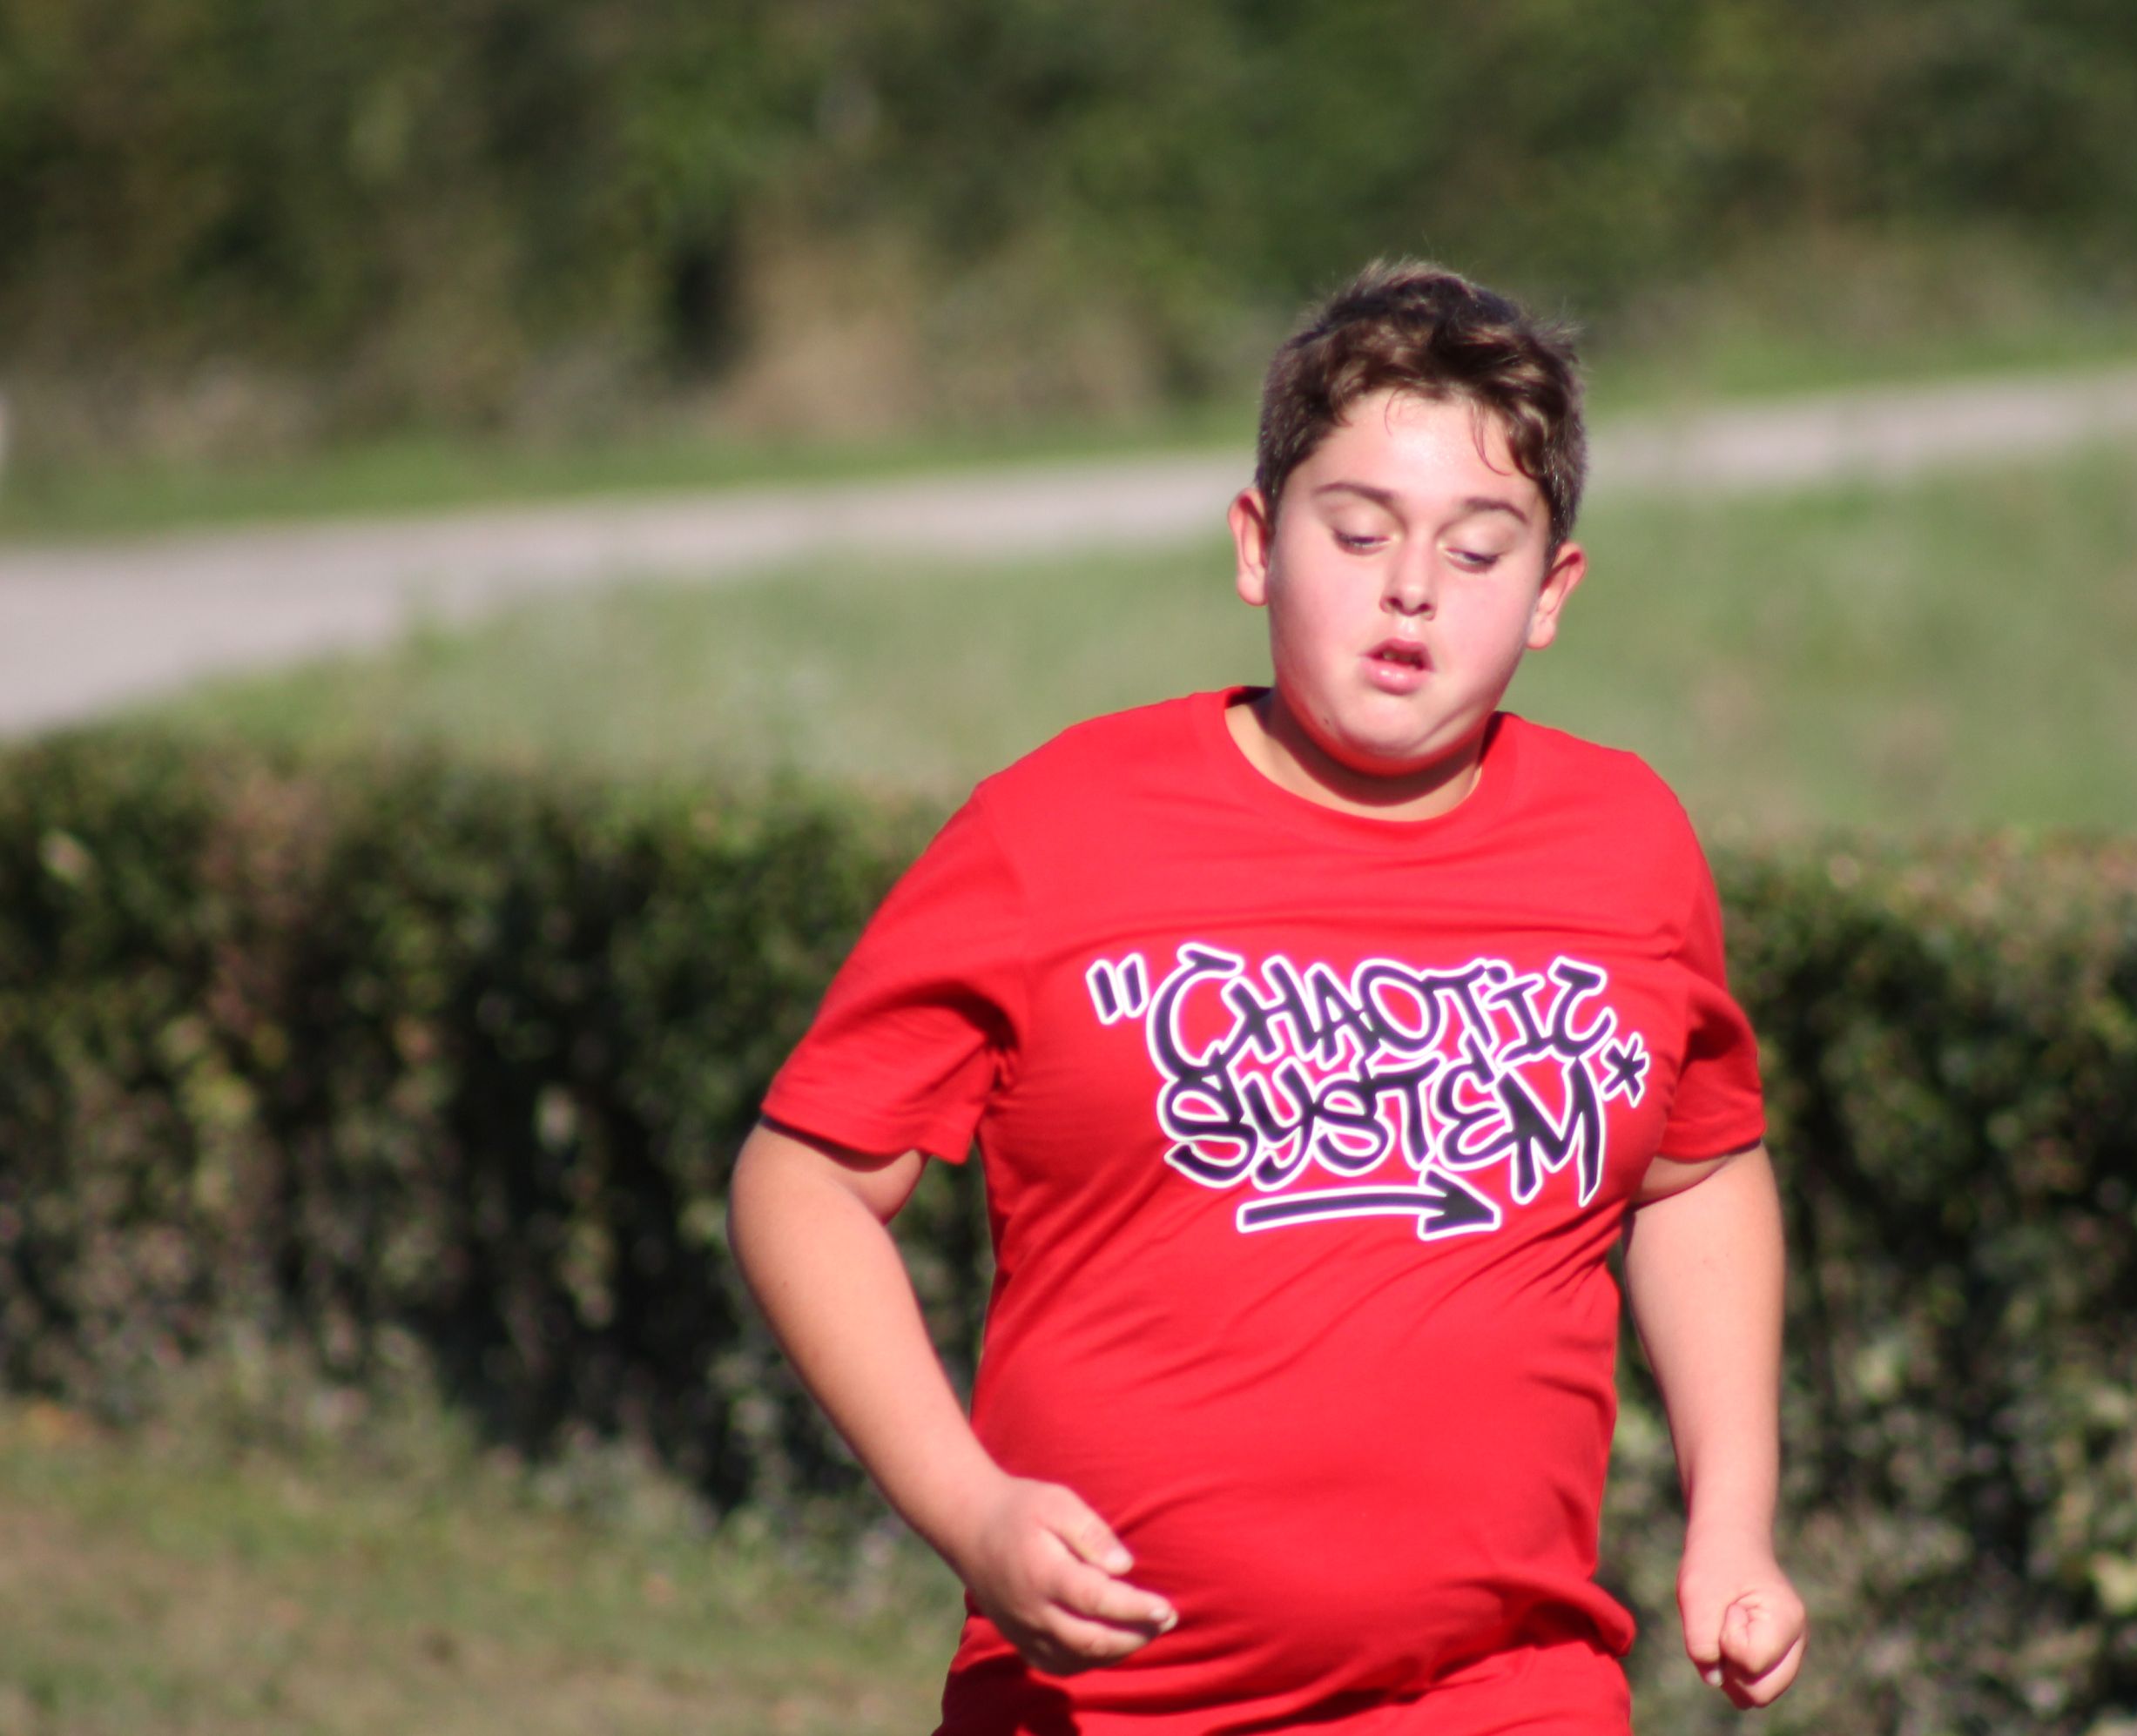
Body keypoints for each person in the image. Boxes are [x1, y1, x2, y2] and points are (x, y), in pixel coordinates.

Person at [727, 259, 1806, 1733]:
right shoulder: (1055, 830)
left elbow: (1699, 1169)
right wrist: (969, 1509)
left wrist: (1732, 1519)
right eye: (1357, 531)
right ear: (1256, 544)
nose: (1411, 586)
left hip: (1504, 1692)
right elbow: (802, 1181)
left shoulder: (1626, 845)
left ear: (1552, 593)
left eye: (1477, 549)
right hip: (1099, 1706)